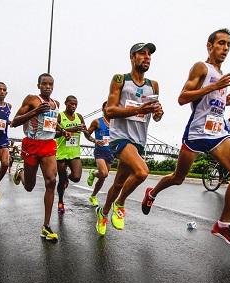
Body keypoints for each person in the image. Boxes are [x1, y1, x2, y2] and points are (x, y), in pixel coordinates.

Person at [141, 28, 230, 249]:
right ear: (209, 46)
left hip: (217, 132)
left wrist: (224, 99)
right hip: (197, 133)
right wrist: (215, 87)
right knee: (178, 177)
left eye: (228, 45)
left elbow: (209, 102)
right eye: (221, 43)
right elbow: (182, 98)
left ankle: (223, 224)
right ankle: (152, 192)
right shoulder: (202, 67)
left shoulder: (222, 75)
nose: (225, 48)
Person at [95, 42, 164, 236]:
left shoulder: (154, 85)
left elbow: (156, 115)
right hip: (119, 138)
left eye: (149, 54)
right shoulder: (120, 79)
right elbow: (109, 110)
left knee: (118, 184)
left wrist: (158, 112)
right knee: (142, 172)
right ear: (132, 57)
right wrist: (138, 109)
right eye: (142, 54)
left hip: (138, 141)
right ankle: (120, 203)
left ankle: (103, 212)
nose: (147, 57)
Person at [11, 73, 60, 242]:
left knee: (51, 181)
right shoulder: (32, 100)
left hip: (48, 145)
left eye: (50, 84)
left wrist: (64, 131)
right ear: (38, 85)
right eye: (44, 84)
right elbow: (14, 122)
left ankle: (46, 226)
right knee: (29, 187)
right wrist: (35, 111)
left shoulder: (56, 104)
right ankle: (21, 174)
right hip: (32, 144)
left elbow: (52, 124)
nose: (48, 87)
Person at [55, 95, 89, 214]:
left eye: (76, 104)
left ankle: (67, 179)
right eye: (71, 104)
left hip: (74, 153)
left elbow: (86, 132)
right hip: (61, 153)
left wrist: (94, 140)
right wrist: (71, 130)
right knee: (61, 180)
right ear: (66, 103)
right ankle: (60, 201)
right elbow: (54, 133)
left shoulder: (79, 117)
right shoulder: (60, 116)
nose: (74, 106)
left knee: (76, 177)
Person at [85, 101, 114, 207]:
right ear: (103, 109)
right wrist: (95, 140)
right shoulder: (97, 122)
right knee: (104, 173)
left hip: (110, 153)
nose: (109, 109)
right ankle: (93, 173)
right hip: (100, 152)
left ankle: (93, 196)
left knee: (102, 177)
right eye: (106, 107)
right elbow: (87, 134)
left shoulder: (116, 123)